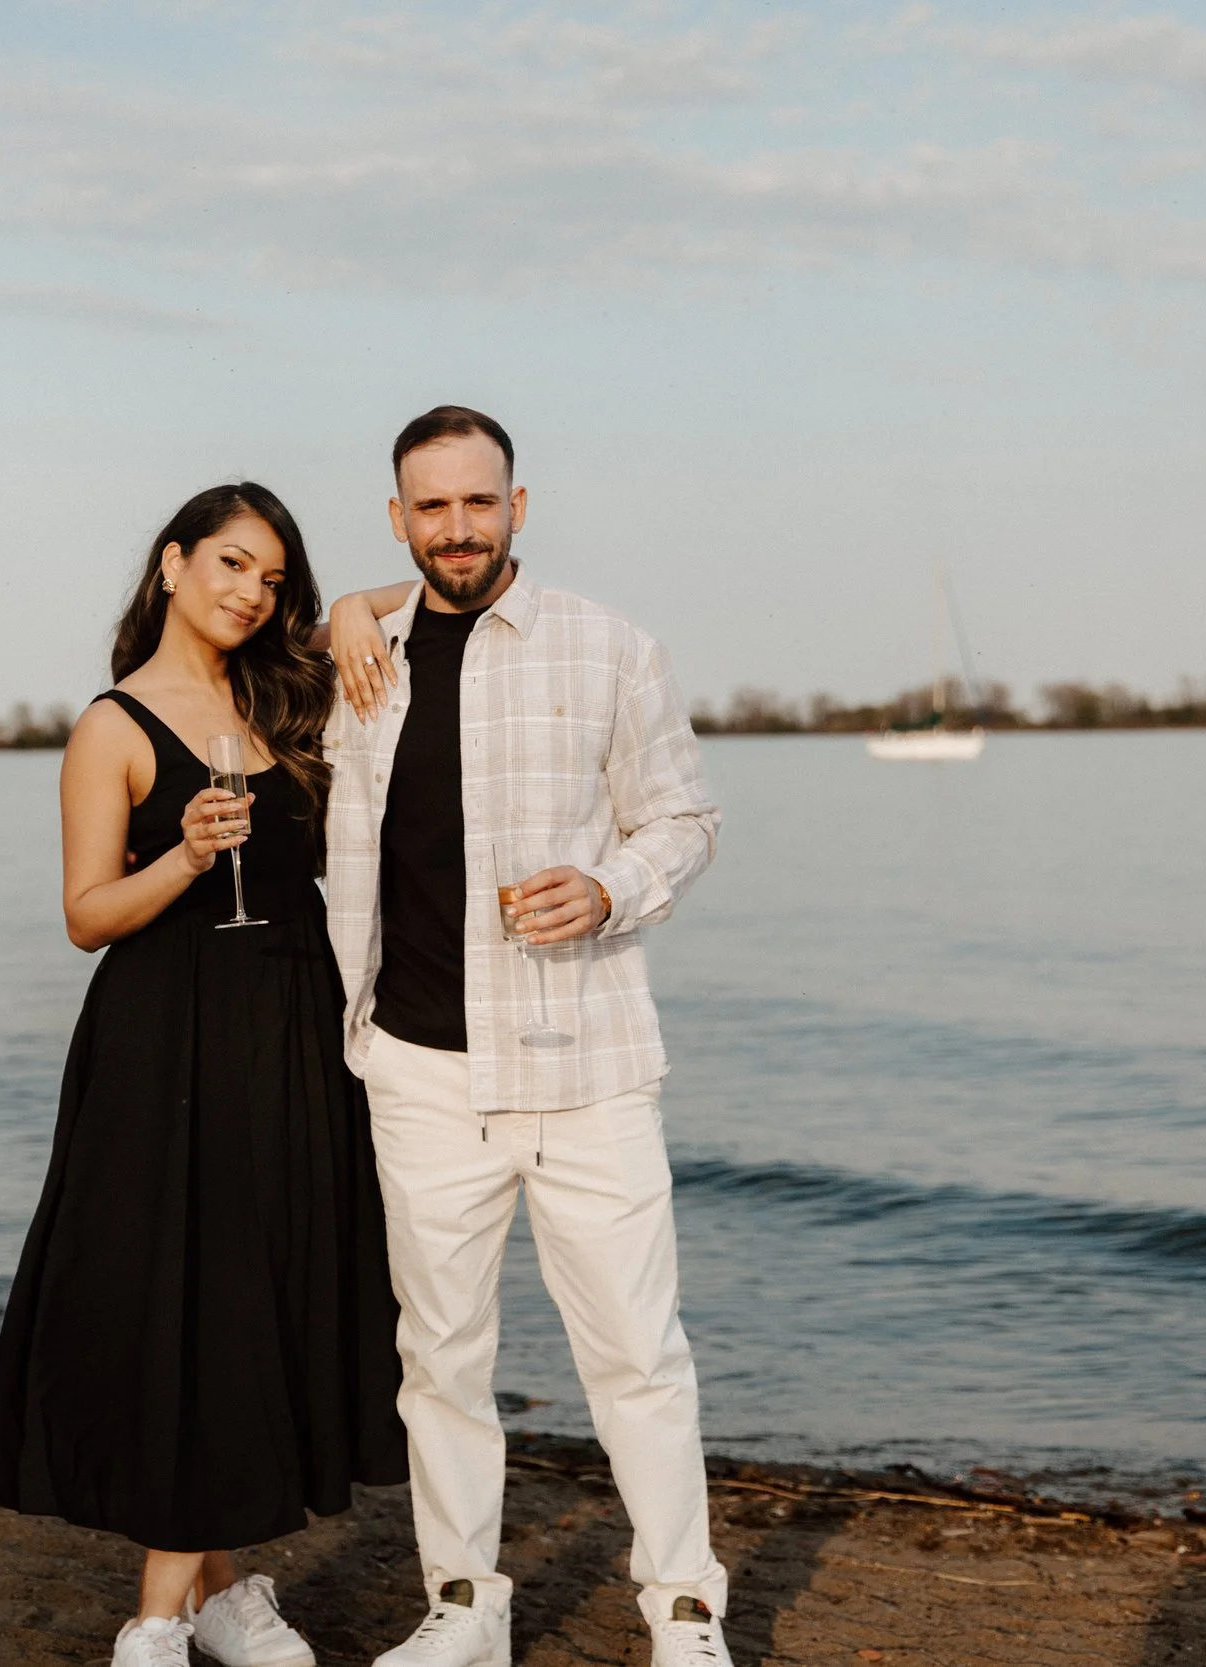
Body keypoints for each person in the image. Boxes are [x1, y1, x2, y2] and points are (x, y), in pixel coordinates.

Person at [322, 407, 730, 1667]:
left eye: (477, 501)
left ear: (517, 505)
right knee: (439, 1359)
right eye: (430, 505)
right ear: (397, 518)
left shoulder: (610, 647)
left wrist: (610, 888)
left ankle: (683, 1610)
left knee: (636, 1354)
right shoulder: (357, 660)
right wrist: (347, 606)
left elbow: (685, 818)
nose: (457, 527)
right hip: (416, 1070)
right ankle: (465, 1608)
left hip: (583, 1065)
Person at [0, 483, 411, 1667]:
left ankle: (219, 1595)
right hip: (165, 1038)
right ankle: (158, 1620)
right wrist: (181, 854)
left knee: (255, 1293)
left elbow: (428, 592)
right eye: (230, 563)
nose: (251, 592)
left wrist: (355, 611)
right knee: (198, 1297)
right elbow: (85, 915)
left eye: (272, 577)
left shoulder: (287, 686)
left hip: (293, 1026)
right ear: (171, 563)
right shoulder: (112, 726)